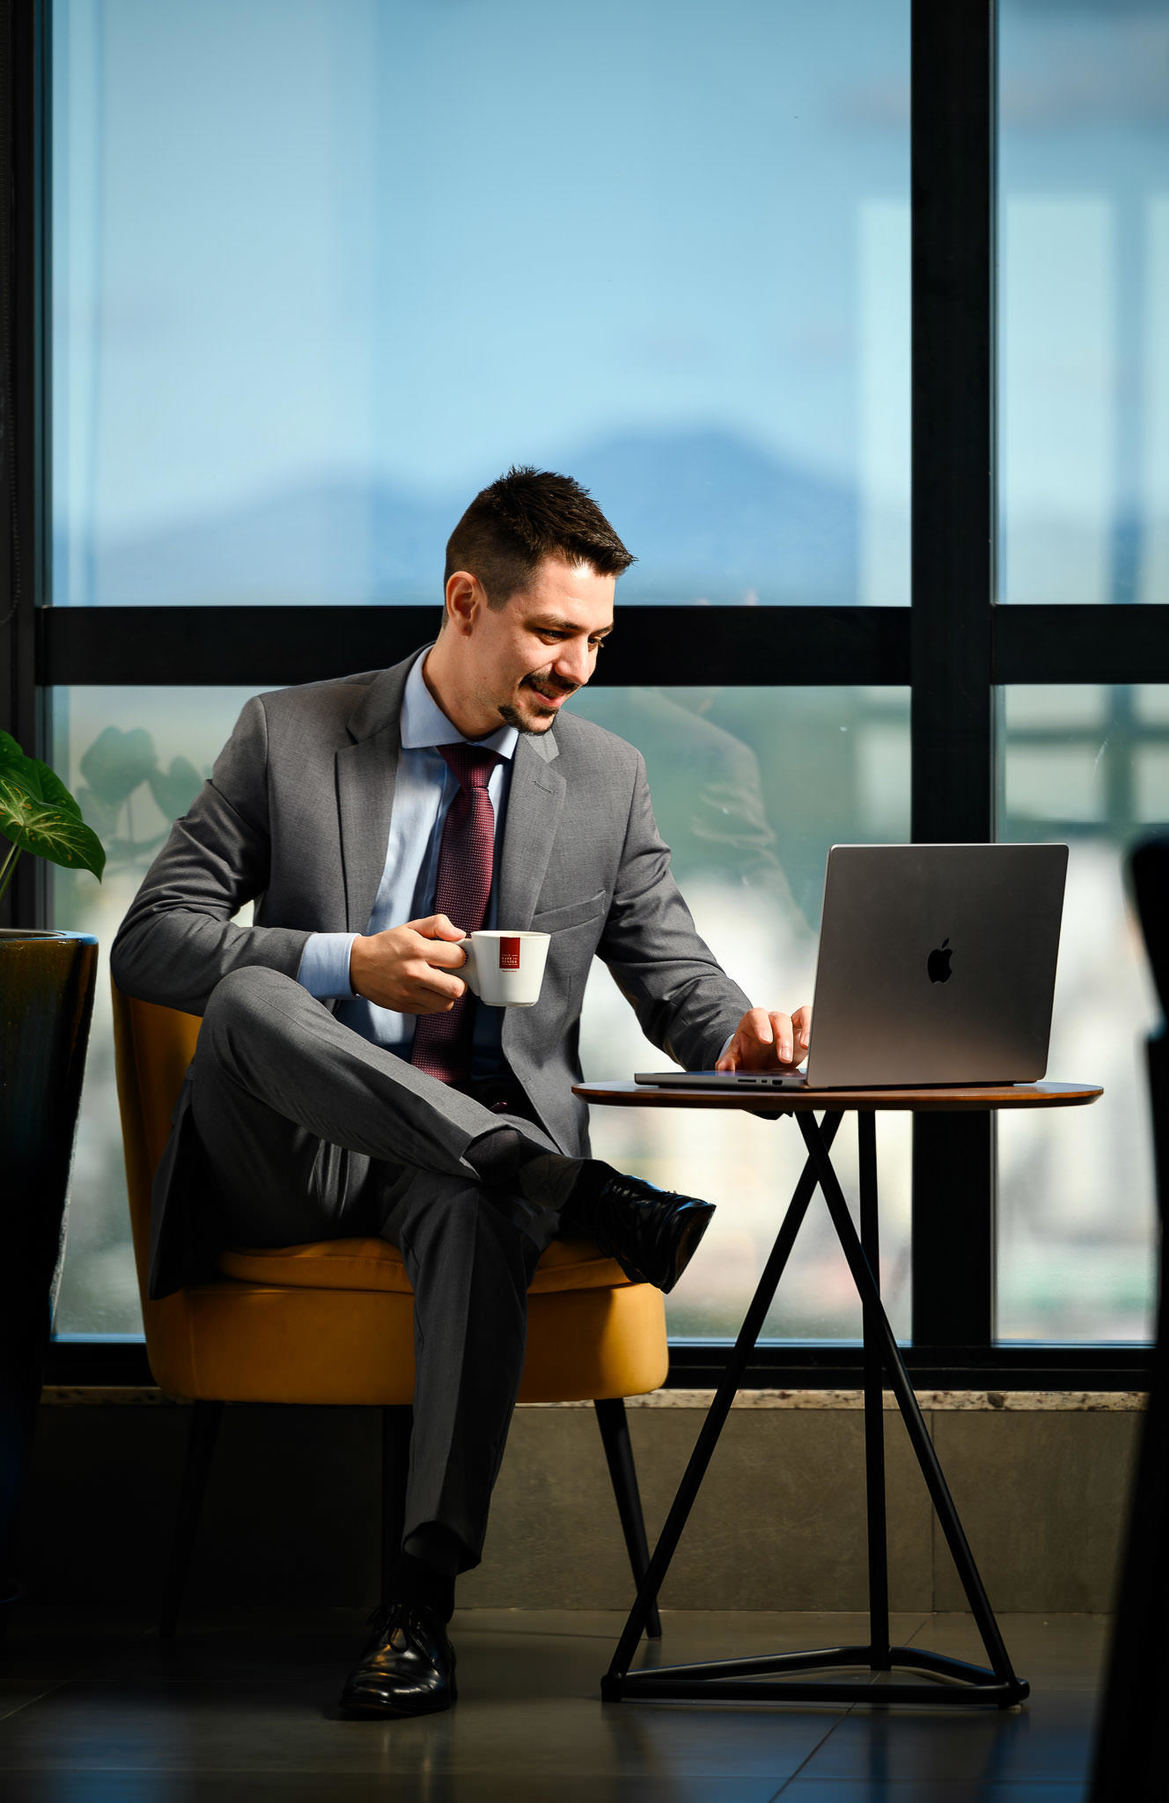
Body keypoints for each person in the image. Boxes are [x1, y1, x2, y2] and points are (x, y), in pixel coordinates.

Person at [110, 466, 810, 1720]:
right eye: (552, 634)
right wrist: (349, 962)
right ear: (466, 601)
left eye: (597, 641)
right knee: (256, 995)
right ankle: (563, 1184)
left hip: (457, 1163)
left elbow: (676, 977)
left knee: (478, 1194)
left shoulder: (606, 779)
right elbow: (152, 940)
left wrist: (740, 1043)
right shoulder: (291, 734)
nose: (576, 669)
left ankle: (418, 1607)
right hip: (297, 1152)